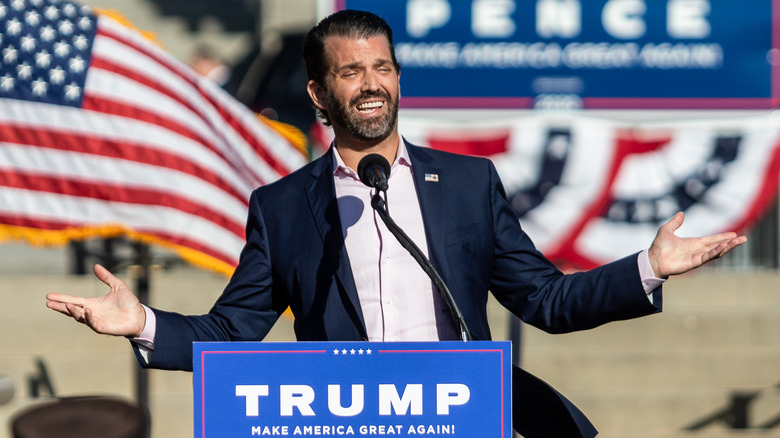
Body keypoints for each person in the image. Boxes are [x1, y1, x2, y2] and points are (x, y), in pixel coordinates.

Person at [46, 9, 746, 437]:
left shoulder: (468, 185)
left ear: (399, 79)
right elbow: (233, 333)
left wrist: (648, 267)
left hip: (464, 421)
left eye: (382, 67)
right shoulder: (283, 207)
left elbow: (545, 300)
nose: (371, 83)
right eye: (351, 73)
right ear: (320, 94)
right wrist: (143, 324)